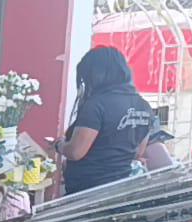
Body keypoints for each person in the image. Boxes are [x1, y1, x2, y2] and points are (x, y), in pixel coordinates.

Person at [55, 46, 154, 194]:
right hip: (120, 187)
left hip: (88, 189)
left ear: (95, 75)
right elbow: (138, 151)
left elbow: (76, 152)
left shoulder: (96, 105)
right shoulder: (144, 106)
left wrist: (60, 145)